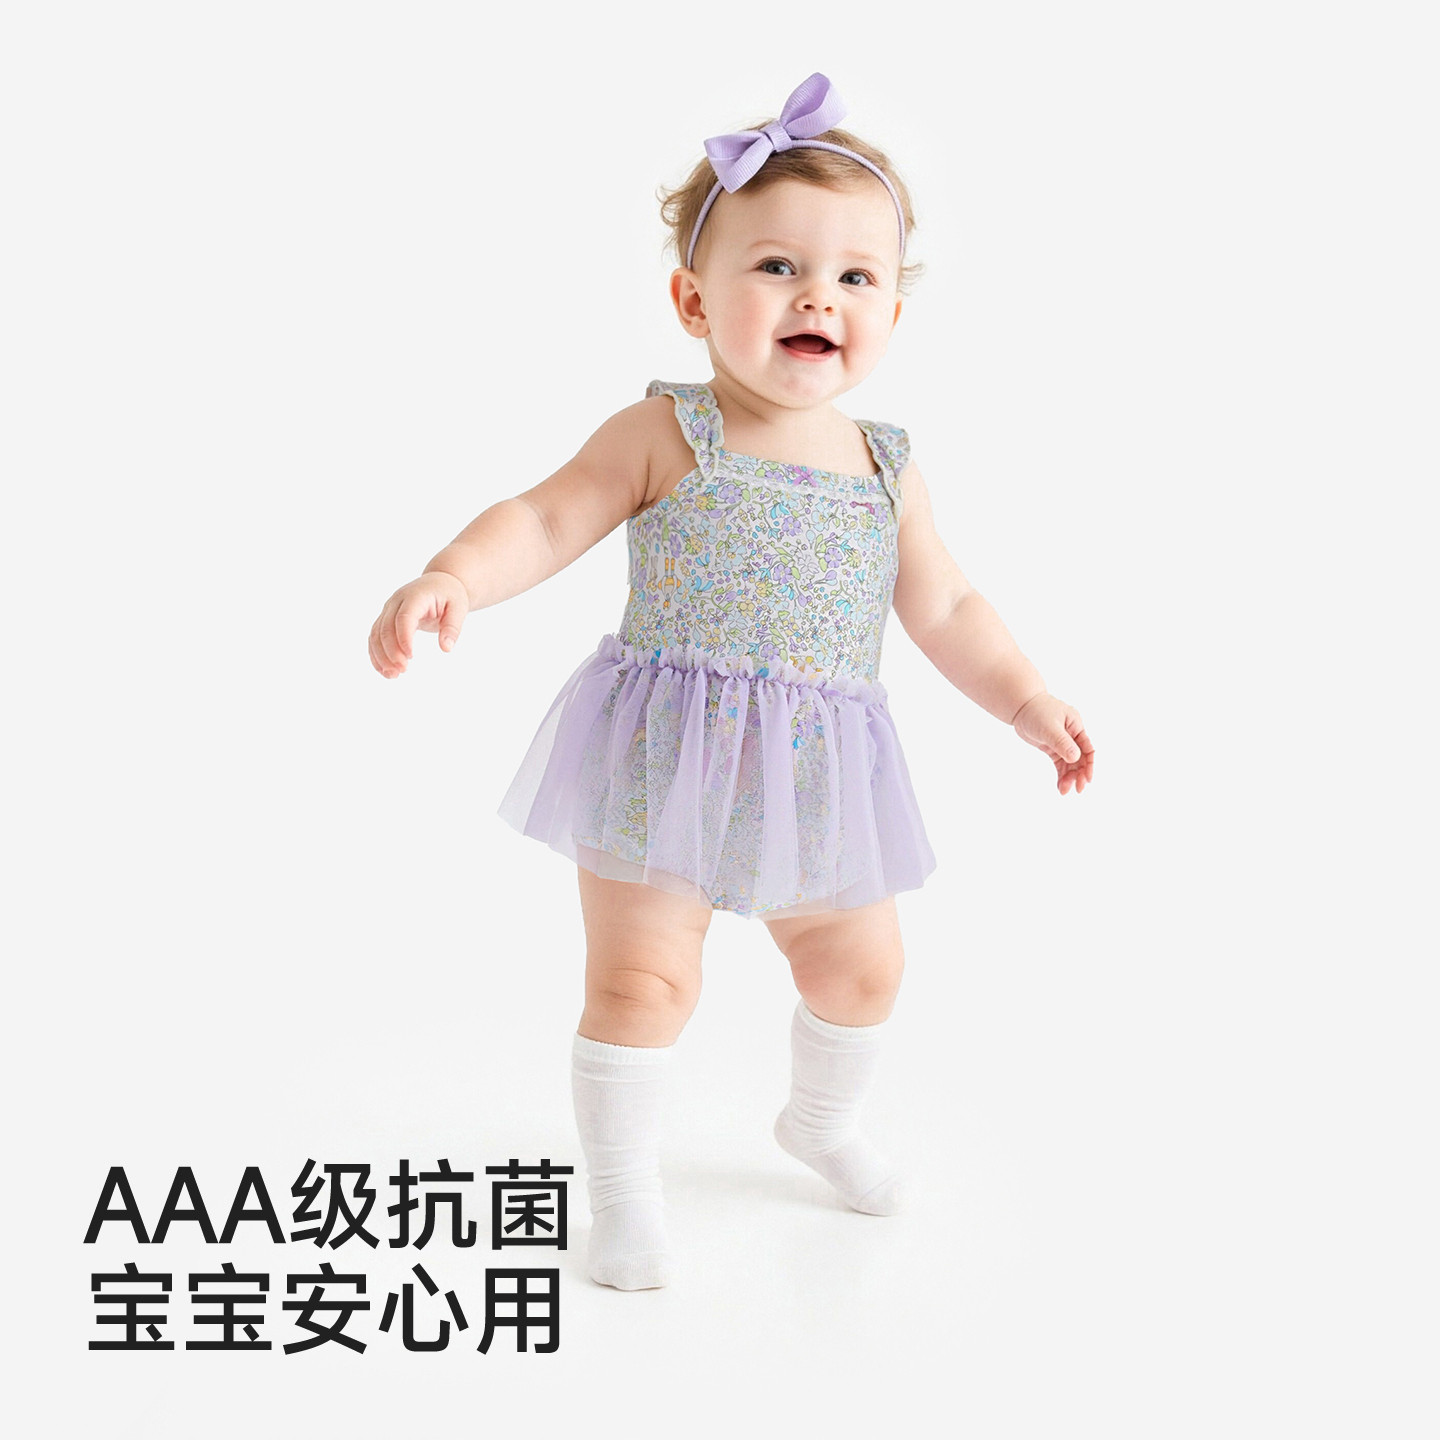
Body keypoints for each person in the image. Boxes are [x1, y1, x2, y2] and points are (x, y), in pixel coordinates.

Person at [368, 72, 1095, 1291]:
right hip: (662, 753)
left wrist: (1027, 699)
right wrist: (456, 575)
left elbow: (948, 606)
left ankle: (819, 1122)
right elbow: (546, 517)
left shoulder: (888, 466)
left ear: (893, 313)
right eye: (777, 268)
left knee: (863, 970)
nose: (819, 296)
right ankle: (623, 1193)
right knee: (642, 981)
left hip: (820, 771)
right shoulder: (668, 431)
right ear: (693, 299)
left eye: (856, 277)